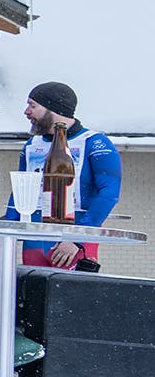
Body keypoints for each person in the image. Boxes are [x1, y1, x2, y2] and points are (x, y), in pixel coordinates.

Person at [10, 81, 122, 270]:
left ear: (53, 108)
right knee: (31, 298)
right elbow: (20, 193)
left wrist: (77, 238)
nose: (26, 111)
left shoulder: (94, 142)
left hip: (73, 243)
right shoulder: (31, 145)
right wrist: (2, 231)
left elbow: (109, 193)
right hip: (35, 241)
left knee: (71, 297)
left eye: (32, 105)